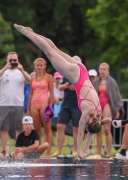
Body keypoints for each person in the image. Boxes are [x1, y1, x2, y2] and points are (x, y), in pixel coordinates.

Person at [13, 24, 111, 160]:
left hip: (82, 70)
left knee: (54, 49)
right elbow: (81, 134)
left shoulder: (97, 114)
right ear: (89, 122)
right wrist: (79, 154)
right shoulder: (87, 112)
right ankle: (28, 34)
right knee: (49, 52)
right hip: (75, 77)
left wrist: (83, 153)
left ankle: (33, 32)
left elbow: (91, 132)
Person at [0, 51, 31, 157]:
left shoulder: (21, 72)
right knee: (3, 129)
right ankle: (5, 151)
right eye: (10, 60)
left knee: (19, 128)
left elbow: (29, 80)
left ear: (18, 60)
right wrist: (5, 68)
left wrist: (22, 69)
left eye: (14, 60)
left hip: (18, 104)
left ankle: (18, 151)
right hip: (4, 104)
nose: (12, 62)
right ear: (7, 61)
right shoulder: (4, 72)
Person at [52, 56, 82, 158]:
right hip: (65, 104)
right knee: (60, 126)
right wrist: (64, 86)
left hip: (76, 105)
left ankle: (75, 150)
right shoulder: (66, 74)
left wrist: (76, 88)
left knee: (76, 128)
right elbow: (59, 87)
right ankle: (59, 150)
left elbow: (84, 88)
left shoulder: (82, 75)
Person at [92, 63, 124, 157]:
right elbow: (93, 95)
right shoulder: (96, 82)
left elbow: (116, 97)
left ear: (108, 70)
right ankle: (98, 152)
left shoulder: (112, 82)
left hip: (107, 105)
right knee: (98, 129)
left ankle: (108, 152)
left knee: (107, 129)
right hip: (98, 106)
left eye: (104, 69)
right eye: (101, 69)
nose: (102, 71)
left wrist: (117, 110)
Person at [27, 58, 54, 157]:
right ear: (35, 66)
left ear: (44, 66)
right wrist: (28, 109)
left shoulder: (48, 77)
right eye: (37, 65)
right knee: (37, 129)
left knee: (47, 128)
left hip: (44, 103)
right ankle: (38, 151)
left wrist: (50, 106)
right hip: (34, 103)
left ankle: (48, 152)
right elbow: (30, 94)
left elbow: (51, 93)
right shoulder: (32, 78)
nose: (39, 67)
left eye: (41, 65)